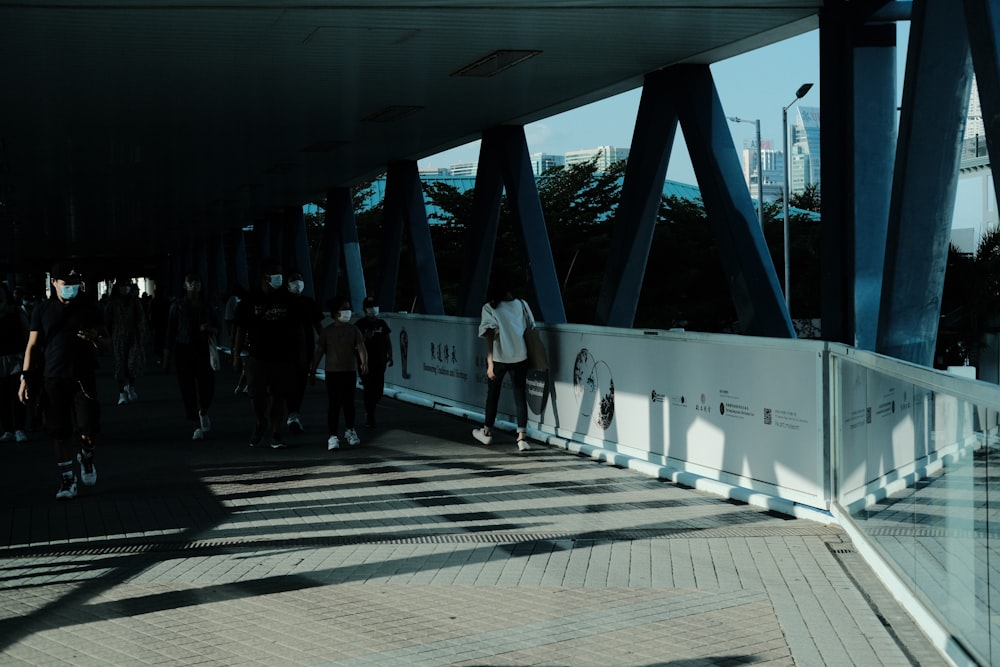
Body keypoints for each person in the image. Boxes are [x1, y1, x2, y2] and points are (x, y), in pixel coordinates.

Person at [18, 263, 109, 500]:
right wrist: (25, 378)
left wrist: (94, 337)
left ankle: (87, 457)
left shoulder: (90, 308)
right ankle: (68, 481)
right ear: (54, 283)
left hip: (83, 376)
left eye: (75, 283)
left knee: (88, 430)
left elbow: (106, 343)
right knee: (60, 432)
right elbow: (32, 345)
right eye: (66, 283)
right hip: (52, 377)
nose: (71, 287)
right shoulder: (42, 310)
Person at [232, 258, 305, 449]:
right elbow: (240, 329)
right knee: (256, 396)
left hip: (283, 356)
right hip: (257, 356)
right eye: (276, 274)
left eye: (281, 273)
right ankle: (260, 422)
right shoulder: (250, 299)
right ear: (265, 277)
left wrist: (301, 355)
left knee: (279, 396)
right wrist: (236, 355)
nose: (280, 278)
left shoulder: (288, 299)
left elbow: (299, 329)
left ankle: (275, 432)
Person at [473, 275, 534, 451]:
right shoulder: (521, 304)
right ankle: (522, 438)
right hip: (521, 356)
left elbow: (489, 334)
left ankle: (487, 433)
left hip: (500, 358)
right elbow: (531, 327)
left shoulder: (489, 308)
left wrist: (490, 362)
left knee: (493, 395)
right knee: (520, 395)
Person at [164, 272, 221, 440]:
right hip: (183, 349)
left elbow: (218, 327)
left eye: (197, 282)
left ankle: (203, 410)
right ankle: (195, 423)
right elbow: (170, 331)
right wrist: (167, 356)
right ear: (184, 285)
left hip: (203, 348)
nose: (194, 284)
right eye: (190, 281)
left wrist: (209, 328)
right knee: (187, 387)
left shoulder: (208, 305)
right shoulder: (177, 306)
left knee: (207, 385)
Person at [310, 297, 367, 450]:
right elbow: (319, 351)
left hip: (349, 371)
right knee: (334, 405)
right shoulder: (327, 332)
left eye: (349, 308)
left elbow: (361, 348)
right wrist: (313, 369)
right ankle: (332, 436)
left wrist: (364, 363)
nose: (348, 312)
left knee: (349, 403)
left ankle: (350, 430)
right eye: (344, 308)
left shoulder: (353, 329)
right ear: (336, 313)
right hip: (333, 373)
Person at [284, 269, 323, 433]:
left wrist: (326, 341)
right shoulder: (281, 302)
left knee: (299, 382)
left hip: (306, 348)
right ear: (287, 284)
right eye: (294, 279)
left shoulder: (309, 302)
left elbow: (318, 325)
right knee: (287, 382)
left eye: (299, 279)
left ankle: (293, 414)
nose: (297, 283)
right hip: (285, 349)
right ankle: (290, 414)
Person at [105, 276, 148, 405]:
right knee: (120, 365)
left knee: (132, 364)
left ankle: (130, 386)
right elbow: (107, 321)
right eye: (122, 286)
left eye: (127, 285)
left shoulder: (135, 302)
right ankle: (122, 393)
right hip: (117, 337)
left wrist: (141, 336)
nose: (125, 288)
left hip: (133, 336)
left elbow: (141, 319)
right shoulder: (112, 303)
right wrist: (106, 338)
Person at [355, 296, 392, 428]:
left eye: (375, 306)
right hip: (365, 362)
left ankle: (371, 406)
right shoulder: (360, 324)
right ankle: (370, 415)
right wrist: (365, 337)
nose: (373, 309)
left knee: (378, 390)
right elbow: (355, 343)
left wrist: (390, 355)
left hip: (380, 361)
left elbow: (387, 340)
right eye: (370, 307)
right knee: (369, 388)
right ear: (365, 309)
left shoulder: (382, 323)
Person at [0, 285, 30, 443]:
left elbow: (26, 332)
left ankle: (18, 428)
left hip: (15, 357)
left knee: (16, 393)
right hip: (3, 358)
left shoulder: (17, 311)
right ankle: (8, 429)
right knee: (3, 396)